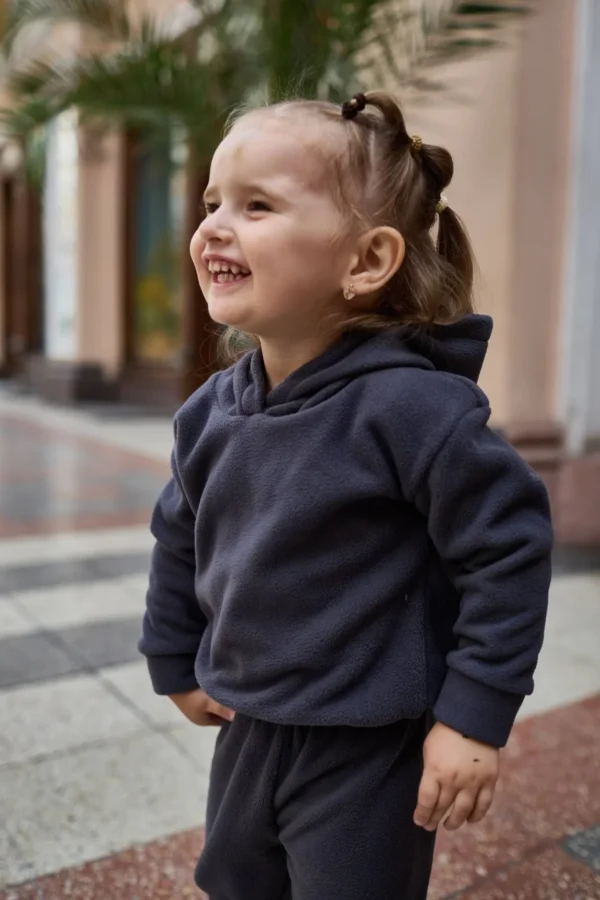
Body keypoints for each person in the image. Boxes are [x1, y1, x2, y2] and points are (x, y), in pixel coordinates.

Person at [139, 90, 553, 899]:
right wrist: (172, 654)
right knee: (237, 880)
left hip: (369, 745)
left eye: (257, 205)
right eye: (213, 202)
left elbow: (507, 552)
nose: (214, 225)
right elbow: (179, 535)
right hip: (251, 723)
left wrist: (471, 715)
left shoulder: (414, 409)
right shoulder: (210, 412)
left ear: (366, 262)